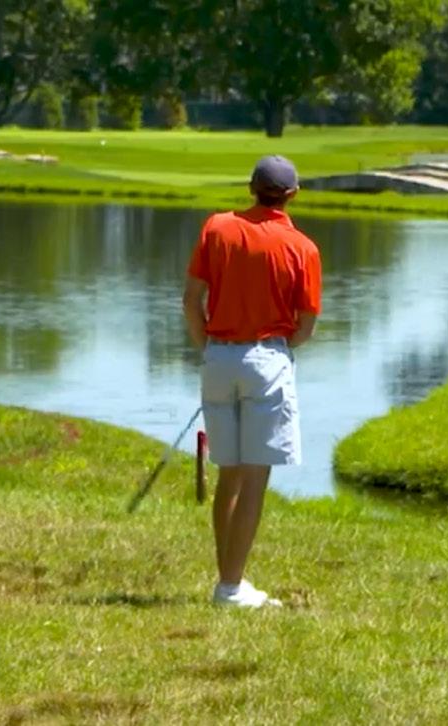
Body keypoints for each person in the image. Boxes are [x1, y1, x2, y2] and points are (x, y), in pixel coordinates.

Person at [183, 155, 322, 609]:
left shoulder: (217, 227)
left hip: (218, 357)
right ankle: (230, 587)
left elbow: (191, 300)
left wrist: (207, 346)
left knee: (230, 471)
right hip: (267, 360)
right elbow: (305, 326)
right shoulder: (303, 247)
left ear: (251, 188)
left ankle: (229, 581)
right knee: (256, 476)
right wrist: (279, 350)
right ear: (292, 195)